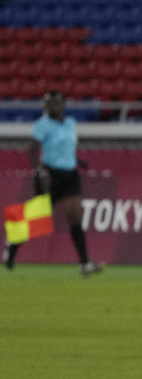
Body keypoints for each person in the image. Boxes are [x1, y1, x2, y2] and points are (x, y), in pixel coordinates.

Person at [3, 90, 102, 275]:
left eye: (54, 103)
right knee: (39, 216)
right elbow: (32, 151)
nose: (50, 107)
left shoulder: (71, 123)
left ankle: (84, 263)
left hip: (70, 174)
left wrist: (78, 161)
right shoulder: (42, 125)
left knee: (75, 215)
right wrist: (40, 171)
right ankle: (12, 244)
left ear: (63, 104)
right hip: (49, 175)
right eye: (47, 104)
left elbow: (66, 148)